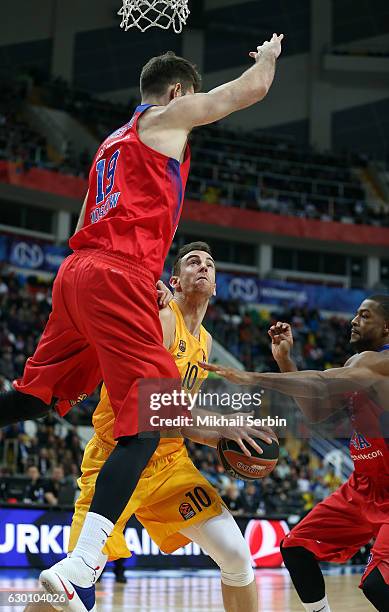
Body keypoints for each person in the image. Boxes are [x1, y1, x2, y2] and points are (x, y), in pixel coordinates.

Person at [1, 38, 283, 605]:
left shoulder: (109, 144)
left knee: (37, 396)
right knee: (147, 418)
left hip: (78, 270)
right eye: (192, 100)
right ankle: (82, 565)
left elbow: (84, 219)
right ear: (178, 91)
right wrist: (268, 58)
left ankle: (83, 568)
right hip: (118, 274)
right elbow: (246, 92)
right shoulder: (165, 115)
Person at [41, 242, 272, 612]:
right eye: (193, 262)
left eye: (210, 264)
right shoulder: (163, 319)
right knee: (70, 583)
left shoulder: (206, 342)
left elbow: (179, 405)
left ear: (216, 285)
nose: (204, 267)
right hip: (119, 458)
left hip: (169, 465)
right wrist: (220, 429)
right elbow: (155, 408)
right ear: (175, 281)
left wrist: (222, 431)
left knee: (236, 555)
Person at [201, 295, 389, 612]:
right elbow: (316, 411)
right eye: (355, 314)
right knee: (296, 548)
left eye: (364, 315)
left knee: (377, 584)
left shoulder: (380, 363)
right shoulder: (356, 366)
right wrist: (286, 362)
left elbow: (322, 380)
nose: (354, 320)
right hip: (363, 487)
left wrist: (254, 378)